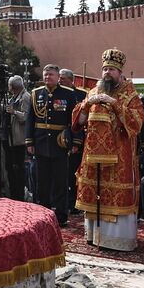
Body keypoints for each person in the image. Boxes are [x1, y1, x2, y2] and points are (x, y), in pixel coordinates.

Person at [72, 49, 144, 251]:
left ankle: (117, 240)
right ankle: (94, 236)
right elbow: (78, 121)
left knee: (115, 196)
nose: (107, 73)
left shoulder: (130, 94)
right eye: (105, 69)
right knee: (95, 194)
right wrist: (87, 104)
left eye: (111, 69)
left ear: (120, 72)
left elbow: (137, 122)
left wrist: (115, 104)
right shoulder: (93, 92)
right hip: (92, 158)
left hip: (119, 157)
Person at [28, 64, 78, 226]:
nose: (47, 77)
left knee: (60, 182)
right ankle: (42, 215)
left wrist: (75, 141)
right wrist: (29, 141)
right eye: (45, 74)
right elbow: (30, 119)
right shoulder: (36, 94)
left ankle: (61, 216)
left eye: (51, 74)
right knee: (41, 182)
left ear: (57, 77)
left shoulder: (68, 94)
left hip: (60, 144)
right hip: (41, 143)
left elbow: (74, 121)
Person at [2, 75, 31, 200]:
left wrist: (14, 112)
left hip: (18, 139)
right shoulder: (15, 96)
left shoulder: (25, 97)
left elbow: (25, 117)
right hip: (10, 138)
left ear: (12, 87)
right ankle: (13, 194)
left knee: (18, 168)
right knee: (10, 168)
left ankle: (19, 195)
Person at [61, 68, 85, 200]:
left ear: (71, 80)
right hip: (61, 139)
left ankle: (74, 201)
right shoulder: (58, 93)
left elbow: (81, 120)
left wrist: (76, 142)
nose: (60, 80)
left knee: (74, 173)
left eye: (63, 78)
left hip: (77, 140)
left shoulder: (81, 95)